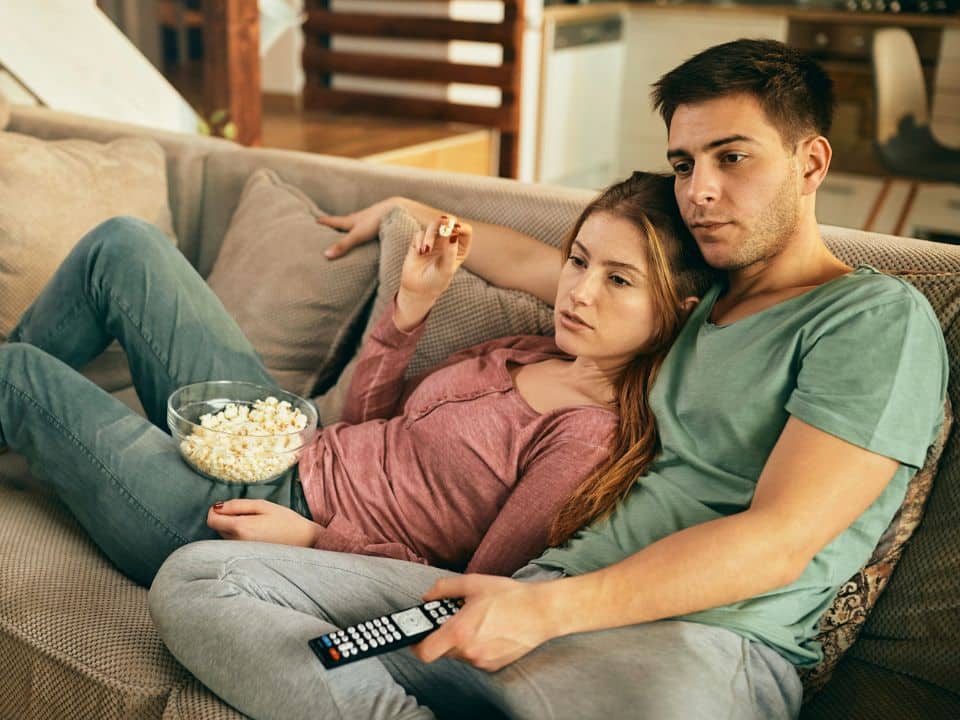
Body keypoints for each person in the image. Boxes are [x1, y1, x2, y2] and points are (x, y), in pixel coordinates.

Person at [146, 38, 949, 719]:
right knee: (202, 578)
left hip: (690, 647)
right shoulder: (687, 302)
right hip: (516, 602)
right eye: (683, 162)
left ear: (810, 162)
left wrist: (544, 610)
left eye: (732, 157)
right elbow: (536, 262)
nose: (699, 191)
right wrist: (401, 206)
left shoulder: (871, 318)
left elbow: (780, 541)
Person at [0, 171, 711, 587]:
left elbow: (472, 592)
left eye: (617, 280)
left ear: (676, 309)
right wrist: (401, 319)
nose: (576, 291)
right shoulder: (538, 349)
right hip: (287, 443)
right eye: (578, 261)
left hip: (241, 518)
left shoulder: (583, 440)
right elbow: (368, 423)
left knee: (16, 378)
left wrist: (316, 539)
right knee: (124, 245)